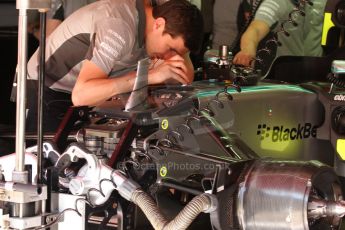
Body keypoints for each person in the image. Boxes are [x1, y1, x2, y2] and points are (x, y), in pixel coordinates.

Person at [26, 0, 204, 132]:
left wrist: (178, 54)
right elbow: (81, 96)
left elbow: (185, 77)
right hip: (46, 86)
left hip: (80, 88)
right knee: (47, 170)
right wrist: (147, 77)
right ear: (159, 24)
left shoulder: (160, 16)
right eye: (170, 49)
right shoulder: (119, 27)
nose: (168, 58)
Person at [233, 0, 326, 67]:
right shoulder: (278, 2)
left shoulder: (323, 2)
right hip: (286, 74)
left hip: (319, 71)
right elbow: (255, 29)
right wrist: (248, 50)